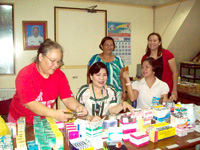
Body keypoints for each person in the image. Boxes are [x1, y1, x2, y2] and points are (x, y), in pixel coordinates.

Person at [8, 39, 87, 124]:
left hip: (43, 120)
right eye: (52, 61)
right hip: (20, 121)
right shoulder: (26, 74)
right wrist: (55, 114)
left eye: (58, 62)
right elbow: (30, 103)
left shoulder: (59, 75)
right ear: (41, 57)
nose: (56, 65)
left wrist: (78, 107)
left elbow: (67, 97)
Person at [87, 36, 127, 104]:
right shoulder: (95, 58)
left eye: (111, 45)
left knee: (114, 112)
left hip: (116, 92)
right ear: (102, 46)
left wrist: (124, 91)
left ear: (114, 47)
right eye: (106, 45)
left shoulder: (118, 60)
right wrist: (89, 90)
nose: (109, 47)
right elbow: (89, 76)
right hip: (98, 92)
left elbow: (122, 78)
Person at [141, 32, 178, 101]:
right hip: (152, 90)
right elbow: (144, 75)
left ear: (159, 42)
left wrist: (174, 90)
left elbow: (175, 72)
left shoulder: (167, 54)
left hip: (167, 90)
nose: (152, 43)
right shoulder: (145, 57)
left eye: (154, 41)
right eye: (150, 40)